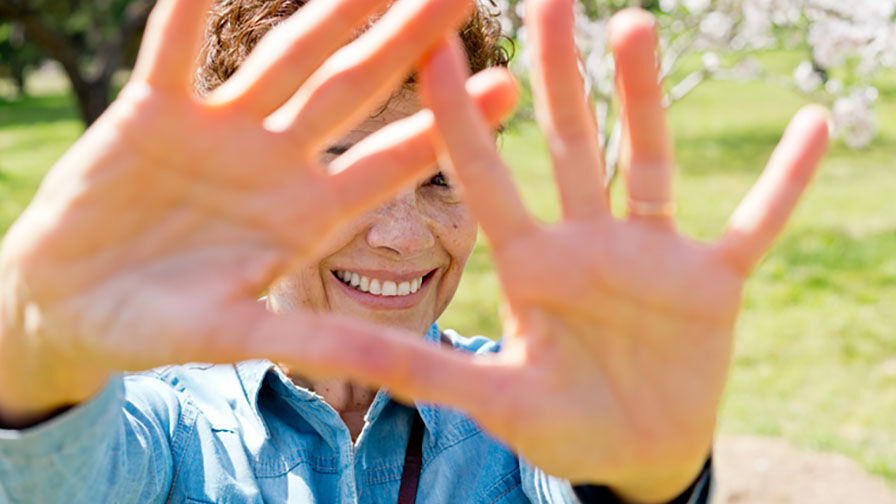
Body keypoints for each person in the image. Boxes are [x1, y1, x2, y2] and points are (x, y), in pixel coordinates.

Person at [0, 0, 830, 502]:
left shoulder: (524, 415)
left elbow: (576, 466)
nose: (400, 238)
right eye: (344, 176)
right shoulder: (172, 433)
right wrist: (32, 361)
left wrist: (643, 484)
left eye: (443, 181)